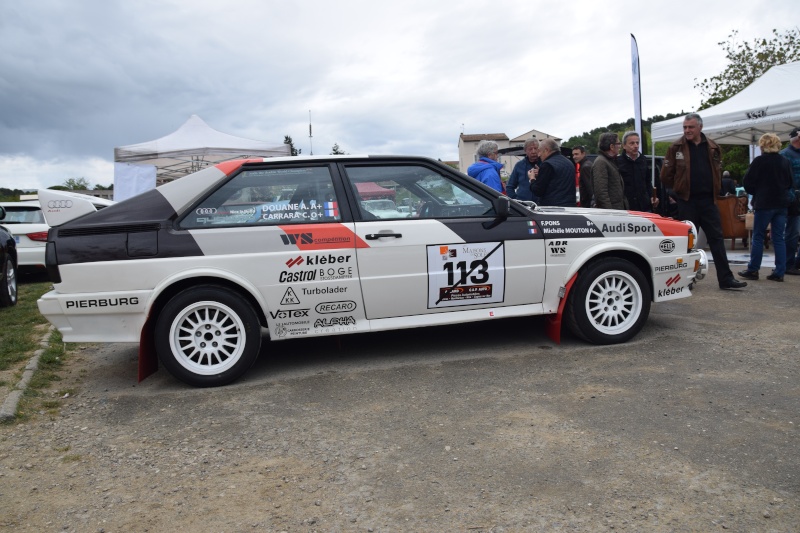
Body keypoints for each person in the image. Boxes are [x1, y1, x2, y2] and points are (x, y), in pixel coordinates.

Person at [660, 113, 747, 290]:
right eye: (685, 127)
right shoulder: (676, 147)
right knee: (687, 243)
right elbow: (665, 177)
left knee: (717, 239)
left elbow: (717, 172)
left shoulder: (713, 147)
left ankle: (726, 279)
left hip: (709, 201)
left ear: (700, 127)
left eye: (690, 127)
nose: (687, 130)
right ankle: (685, 279)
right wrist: (676, 193)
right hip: (687, 201)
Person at [737, 133, 793, 282]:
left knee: (758, 236)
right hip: (781, 203)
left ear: (763, 145)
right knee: (779, 238)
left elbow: (747, 182)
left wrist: (756, 192)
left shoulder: (759, 161)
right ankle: (780, 271)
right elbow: (790, 182)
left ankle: (753, 269)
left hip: (764, 202)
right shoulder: (785, 161)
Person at [616, 131, 658, 212]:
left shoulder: (643, 160)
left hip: (644, 206)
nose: (636, 146)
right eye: (632, 143)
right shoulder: (618, 162)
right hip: (626, 206)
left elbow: (647, 182)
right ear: (624, 146)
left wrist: (652, 197)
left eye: (637, 143)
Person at [529, 138, 575, 206]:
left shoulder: (547, 164)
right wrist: (541, 174)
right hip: (570, 206)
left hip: (552, 208)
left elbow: (538, 191)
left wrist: (532, 178)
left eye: (540, 151)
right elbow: (558, 180)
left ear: (546, 150)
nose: (538, 155)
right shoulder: (569, 162)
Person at [780, 127, 800, 275]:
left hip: (793, 197)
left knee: (792, 232)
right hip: (793, 199)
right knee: (792, 232)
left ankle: (795, 263)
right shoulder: (785, 155)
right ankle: (789, 264)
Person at [591, 133, 628, 210]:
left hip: (617, 210)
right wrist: (610, 213)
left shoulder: (610, 160)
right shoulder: (601, 162)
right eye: (618, 143)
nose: (620, 146)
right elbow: (601, 193)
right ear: (611, 146)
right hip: (612, 212)